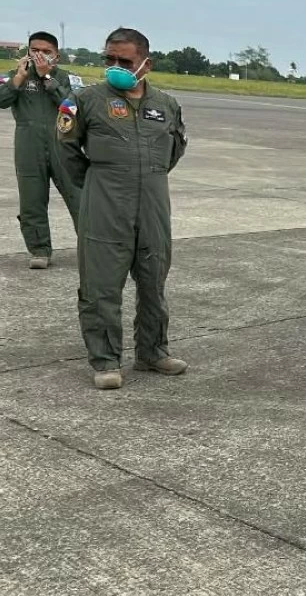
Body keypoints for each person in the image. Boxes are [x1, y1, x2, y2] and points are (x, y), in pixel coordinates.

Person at [57, 28, 187, 390]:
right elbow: (66, 151)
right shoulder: (84, 100)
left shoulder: (167, 104)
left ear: (146, 63)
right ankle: (105, 359)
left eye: (124, 61)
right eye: (109, 59)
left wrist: (147, 177)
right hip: (105, 204)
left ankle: (152, 351)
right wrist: (101, 184)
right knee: (100, 286)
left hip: (153, 205)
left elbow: (175, 150)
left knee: (153, 280)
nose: (115, 67)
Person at [0, 31, 83, 269]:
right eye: (34, 50)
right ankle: (39, 249)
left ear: (56, 55)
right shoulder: (16, 77)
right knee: (32, 200)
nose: (40, 56)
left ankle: (92, 246)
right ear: (27, 52)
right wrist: (17, 80)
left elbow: (73, 107)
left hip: (63, 144)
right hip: (28, 145)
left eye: (46, 52)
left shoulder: (67, 79)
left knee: (79, 198)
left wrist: (48, 79)